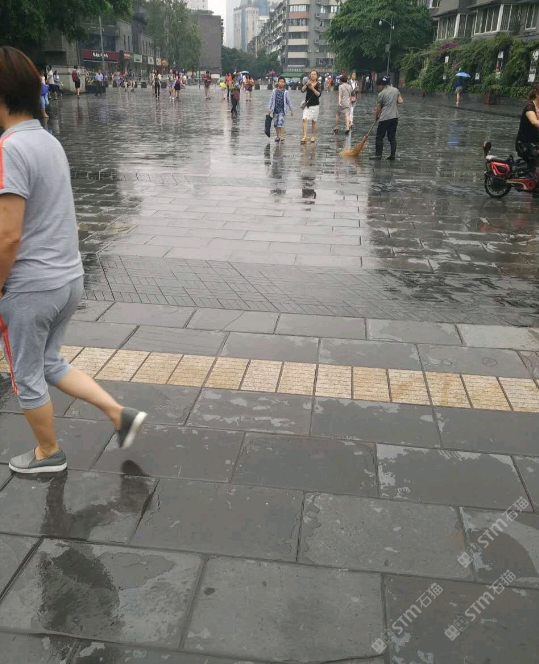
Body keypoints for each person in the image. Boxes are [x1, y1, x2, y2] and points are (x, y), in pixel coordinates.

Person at [0, 46, 147, 474]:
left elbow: (9, 235)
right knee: (50, 363)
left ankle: (48, 453)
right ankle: (119, 414)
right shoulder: (47, 140)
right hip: (67, 278)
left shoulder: (9, 148)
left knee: (26, 373)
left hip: (31, 285)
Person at [372, 75, 403, 161]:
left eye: (378, 85)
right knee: (392, 137)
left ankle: (378, 155)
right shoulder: (396, 90)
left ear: (381, 85)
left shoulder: (381, 94)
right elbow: (400, 101)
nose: (378, 87)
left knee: (379, 137)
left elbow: (378, 109)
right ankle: (392, 155)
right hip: (395, 117)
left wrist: (376, 117)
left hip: (385, 118)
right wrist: (392, 101)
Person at [515, 87, 539, 168]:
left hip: (535, 144)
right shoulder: (529, 107)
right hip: (524, 144)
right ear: (537, 94)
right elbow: (534, 122)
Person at [268, 75, 293, 143]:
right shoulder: (274, 91)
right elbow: (271, 100)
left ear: (284, 83)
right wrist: (269, 108)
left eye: (282, 82)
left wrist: (291, 109)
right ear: (278, 82)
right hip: (275, 110)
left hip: (282, 110)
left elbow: (288, 101)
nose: (281, 83)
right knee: (276, 124)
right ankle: (277, 136)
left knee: (280, 122)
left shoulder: (286, 92)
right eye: (280, 81)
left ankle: (282, 136)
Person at [301, 70, 321, 144]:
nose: (312, 75)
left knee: (314, 121)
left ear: (317, 76)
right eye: (311, 74)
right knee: (304, 119)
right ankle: (305, 136)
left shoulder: (318, 84)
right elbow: (302, 90)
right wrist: (306, 85)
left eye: (314, 74)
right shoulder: (308, 82)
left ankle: (313, 136)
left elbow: (318, 94)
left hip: (315, 105)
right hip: (307, 105)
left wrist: (312, 88)